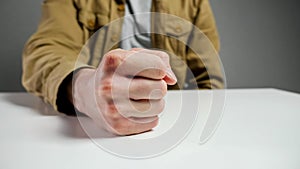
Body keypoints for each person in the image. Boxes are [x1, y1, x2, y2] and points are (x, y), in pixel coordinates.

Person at [22, 0, 224, 135]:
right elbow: (44, 49)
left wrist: (196, 131)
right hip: (91, 128)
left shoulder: (192, 2)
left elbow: (210, 74)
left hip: (168, 128)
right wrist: (85, 87)